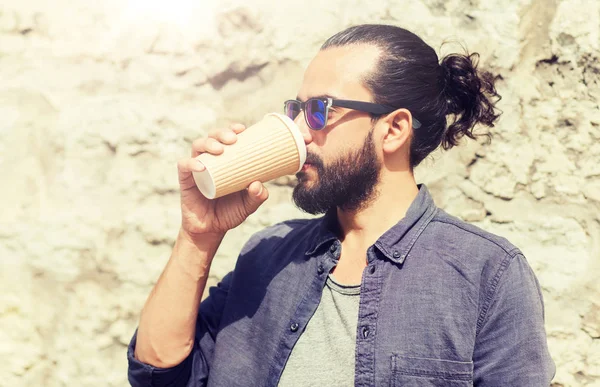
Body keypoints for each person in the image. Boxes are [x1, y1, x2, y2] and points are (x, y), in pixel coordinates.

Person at [127, 24, 555, 386]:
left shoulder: (487, 274)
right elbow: (156, 371)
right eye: (296, 108)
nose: (299, 130)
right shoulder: (267, 256)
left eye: (319, 110)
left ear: (393, 130)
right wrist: (198, 235)